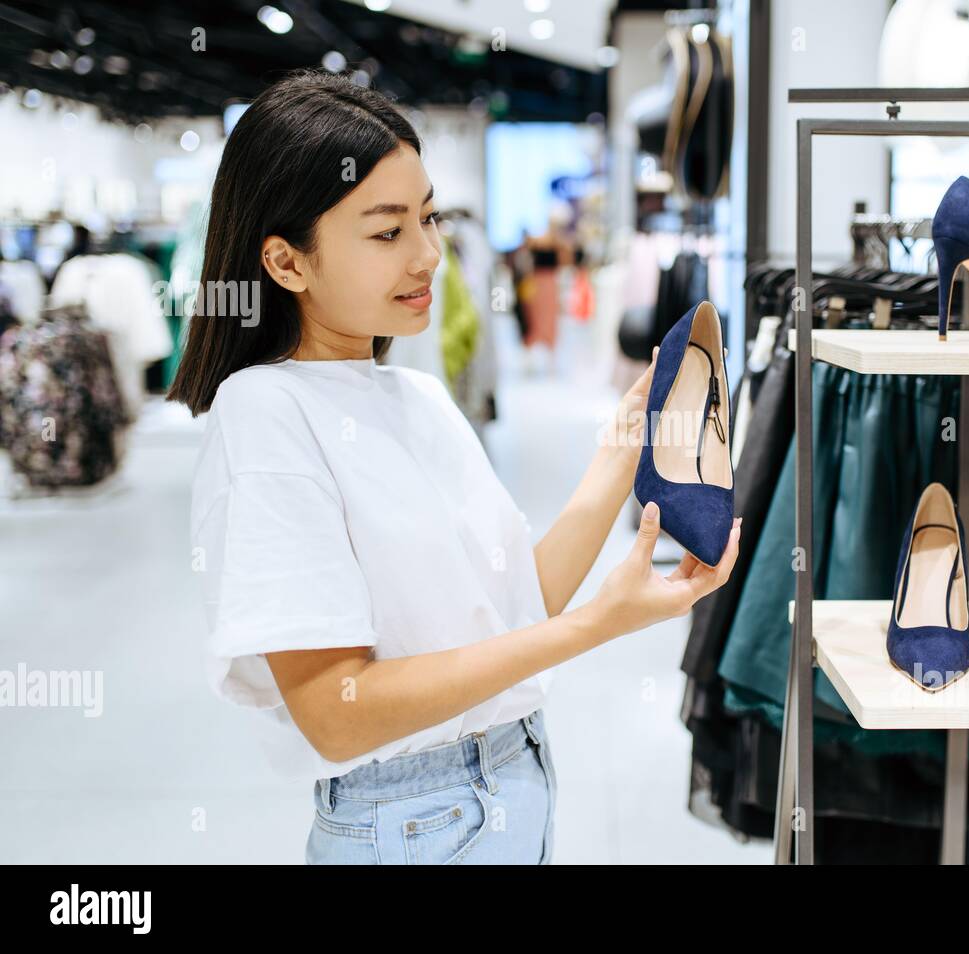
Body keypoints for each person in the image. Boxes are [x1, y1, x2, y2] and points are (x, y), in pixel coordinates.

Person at [167, 71, 740, 865]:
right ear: (286, 262)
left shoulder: (417, 398)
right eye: (386, 231)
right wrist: (595, 628)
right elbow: (338, 710)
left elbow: (511, 606)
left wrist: (623, 451)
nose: (430, 254)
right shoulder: (265, 415)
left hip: (510, 780)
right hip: (414, 822)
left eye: (429, 217)